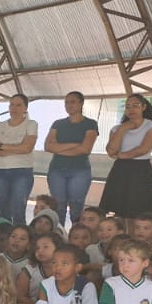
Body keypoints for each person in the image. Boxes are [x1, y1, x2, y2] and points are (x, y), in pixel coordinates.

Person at [43, 91, 99, 227]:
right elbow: (48, 146)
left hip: (80, 170)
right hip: (57, 169)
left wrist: (59, 148)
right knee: (58, 205)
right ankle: (59, 232)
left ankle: (77, 233)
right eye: (66, 102)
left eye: (73, 102)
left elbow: (85, 149)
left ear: (81, 103)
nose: (69, 105)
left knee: (76, 205)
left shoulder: (90, 124)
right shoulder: (58, 123)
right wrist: (74, 145)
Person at [100, 96, 152, 218]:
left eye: (135, 105)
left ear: (144, 107)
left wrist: (121, 155)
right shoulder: (117, 128)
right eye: (127, 106)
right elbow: (111, 150)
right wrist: (123, 129)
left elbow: (143, 149)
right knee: (118, 207)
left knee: (138, 207)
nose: (131, 109)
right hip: (120, 168)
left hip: (140, 169)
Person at [0, 95, 39, 227]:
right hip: (0, 171)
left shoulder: (31, 124)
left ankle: (20, 235)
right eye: (11, 105)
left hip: (22, 171)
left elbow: (27, 148)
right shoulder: (0, 126)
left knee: (18, 210)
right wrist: (17, 148)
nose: (14, 108)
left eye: (18, 105)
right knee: (3, 209)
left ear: (25, 108)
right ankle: (3, 234)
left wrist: (2, 146)